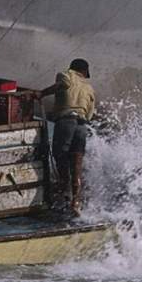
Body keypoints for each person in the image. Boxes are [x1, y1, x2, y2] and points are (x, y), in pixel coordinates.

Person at [36, 58, 95, 215]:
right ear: (84, 72)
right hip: (82, 126)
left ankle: (64, 190)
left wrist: (42, 93)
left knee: (60, 155)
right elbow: (89, 113)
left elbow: (62, 86)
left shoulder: (65, 75)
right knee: (76, 163)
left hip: (66, 122)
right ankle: (76, 201)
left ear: (73, 68)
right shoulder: (89, 88)